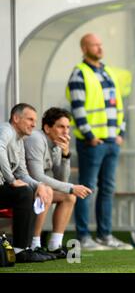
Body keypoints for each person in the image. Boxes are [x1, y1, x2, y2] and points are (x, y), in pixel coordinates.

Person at [66, 33, 133, 251]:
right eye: (95, 44)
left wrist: (120, 132)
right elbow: (77, 108)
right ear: (84, 48)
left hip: (113, 140)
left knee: (107, 189)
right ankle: (84, 237)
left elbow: (119, 105)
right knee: (87, 188)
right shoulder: (79, 73)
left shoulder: (108, 72)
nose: (99, 48)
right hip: (92, 143)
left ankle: (105, 236)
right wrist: (89, 136)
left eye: (100, 44)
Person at [24, 107, 92, 258]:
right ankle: (33, 245)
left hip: (33, 188)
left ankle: (55, 245)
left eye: (68, 127)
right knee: (46, 191)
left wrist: (66, 155)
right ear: (47, 128)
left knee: (69, 197)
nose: (66, 132)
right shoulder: (36, 139)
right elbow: (37, 176)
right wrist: (72, 187)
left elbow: (62, 179)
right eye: (61, 126)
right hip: (19, 186)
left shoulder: (56, 145)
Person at [0, 103, 53, 263]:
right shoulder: (6, 129)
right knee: (23, 193)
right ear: (16, 118)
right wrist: (11, 180)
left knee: (28, 190)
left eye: (35, 120)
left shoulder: (20, 140)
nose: (34, 124)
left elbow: (22, 173)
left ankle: (25, 249)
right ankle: (21, 250)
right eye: (30, 119)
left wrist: (39, 185)